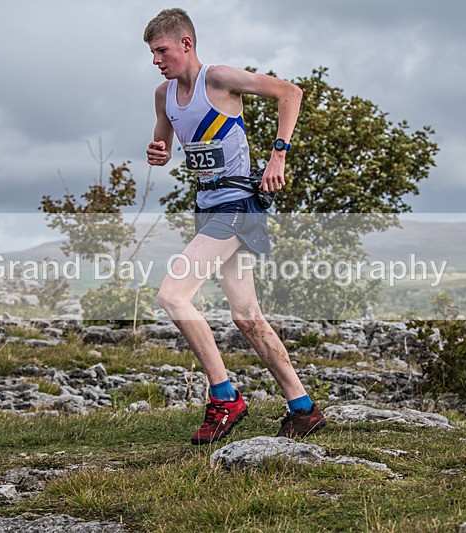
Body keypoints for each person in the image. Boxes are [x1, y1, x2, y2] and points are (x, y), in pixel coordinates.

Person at [144, 8, 325, 444]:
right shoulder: (163, 95)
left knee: (173, 294)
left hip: (238, 205)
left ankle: (225, 396)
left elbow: (290, 92)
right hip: (209, 208)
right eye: (152, 54)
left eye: (161, 51)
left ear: (186, 43)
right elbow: (164, 143)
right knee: (247, 318)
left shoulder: (219, 79)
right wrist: (158, 152)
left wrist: (277, 154)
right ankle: (303, 408)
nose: (156, 60)